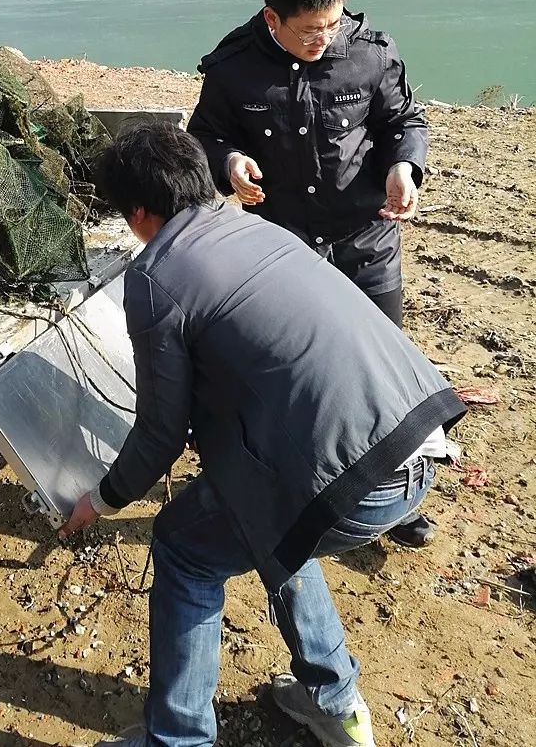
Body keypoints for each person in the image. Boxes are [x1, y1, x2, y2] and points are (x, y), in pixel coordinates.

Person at [60, 122, 465, 747]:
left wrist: (102, 500)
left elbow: (161, 433)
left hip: (355, 482)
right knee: (268, 516)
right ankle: (334, 703)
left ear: (138, 212)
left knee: (185, 547)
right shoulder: (258, 227)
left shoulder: (153, 276)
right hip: (420, 441)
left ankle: (178, 740)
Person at [186, 0, 434, 546]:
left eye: (333, 23)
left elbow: (405, 121)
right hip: (284, 250)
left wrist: (405, 167)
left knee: (380, 371)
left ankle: (395, 499)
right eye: (309, 30)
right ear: (273, 19)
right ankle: (299, 486)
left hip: (365, 238)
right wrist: (229, 163)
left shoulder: (370, 52)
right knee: (292, 374)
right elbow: (206, 135)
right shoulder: (234, 68)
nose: (325, 38)